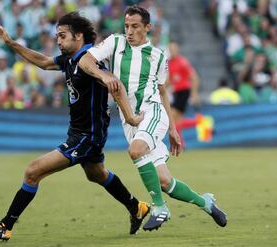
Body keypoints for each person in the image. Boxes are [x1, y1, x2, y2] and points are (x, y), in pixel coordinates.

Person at [0, 12, 148, 241]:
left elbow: (114, 84)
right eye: (57, 36)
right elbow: (43, 61)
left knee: (33, 171)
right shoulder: (70, 59)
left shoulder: (90, 61)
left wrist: (129, 118)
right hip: (81, 133)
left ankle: (5, 226)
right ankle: (136, 207)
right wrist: (10, 43)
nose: (58, 41)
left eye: (62, 36)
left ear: (78, 36)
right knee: (96, 174)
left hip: (86, 137)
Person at [79, 5, 227, 231]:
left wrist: (173, 129)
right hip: (130, 120)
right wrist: (104, 75)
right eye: (127, 26)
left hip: (152, 110)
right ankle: (205, 202)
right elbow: (85, 62)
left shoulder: (158, 56)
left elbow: (162, 91)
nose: (129, 31)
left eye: (135, 26)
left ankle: (159, 208)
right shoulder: (114, 43)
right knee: (165, 182)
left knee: (136, 151)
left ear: (147, 27)